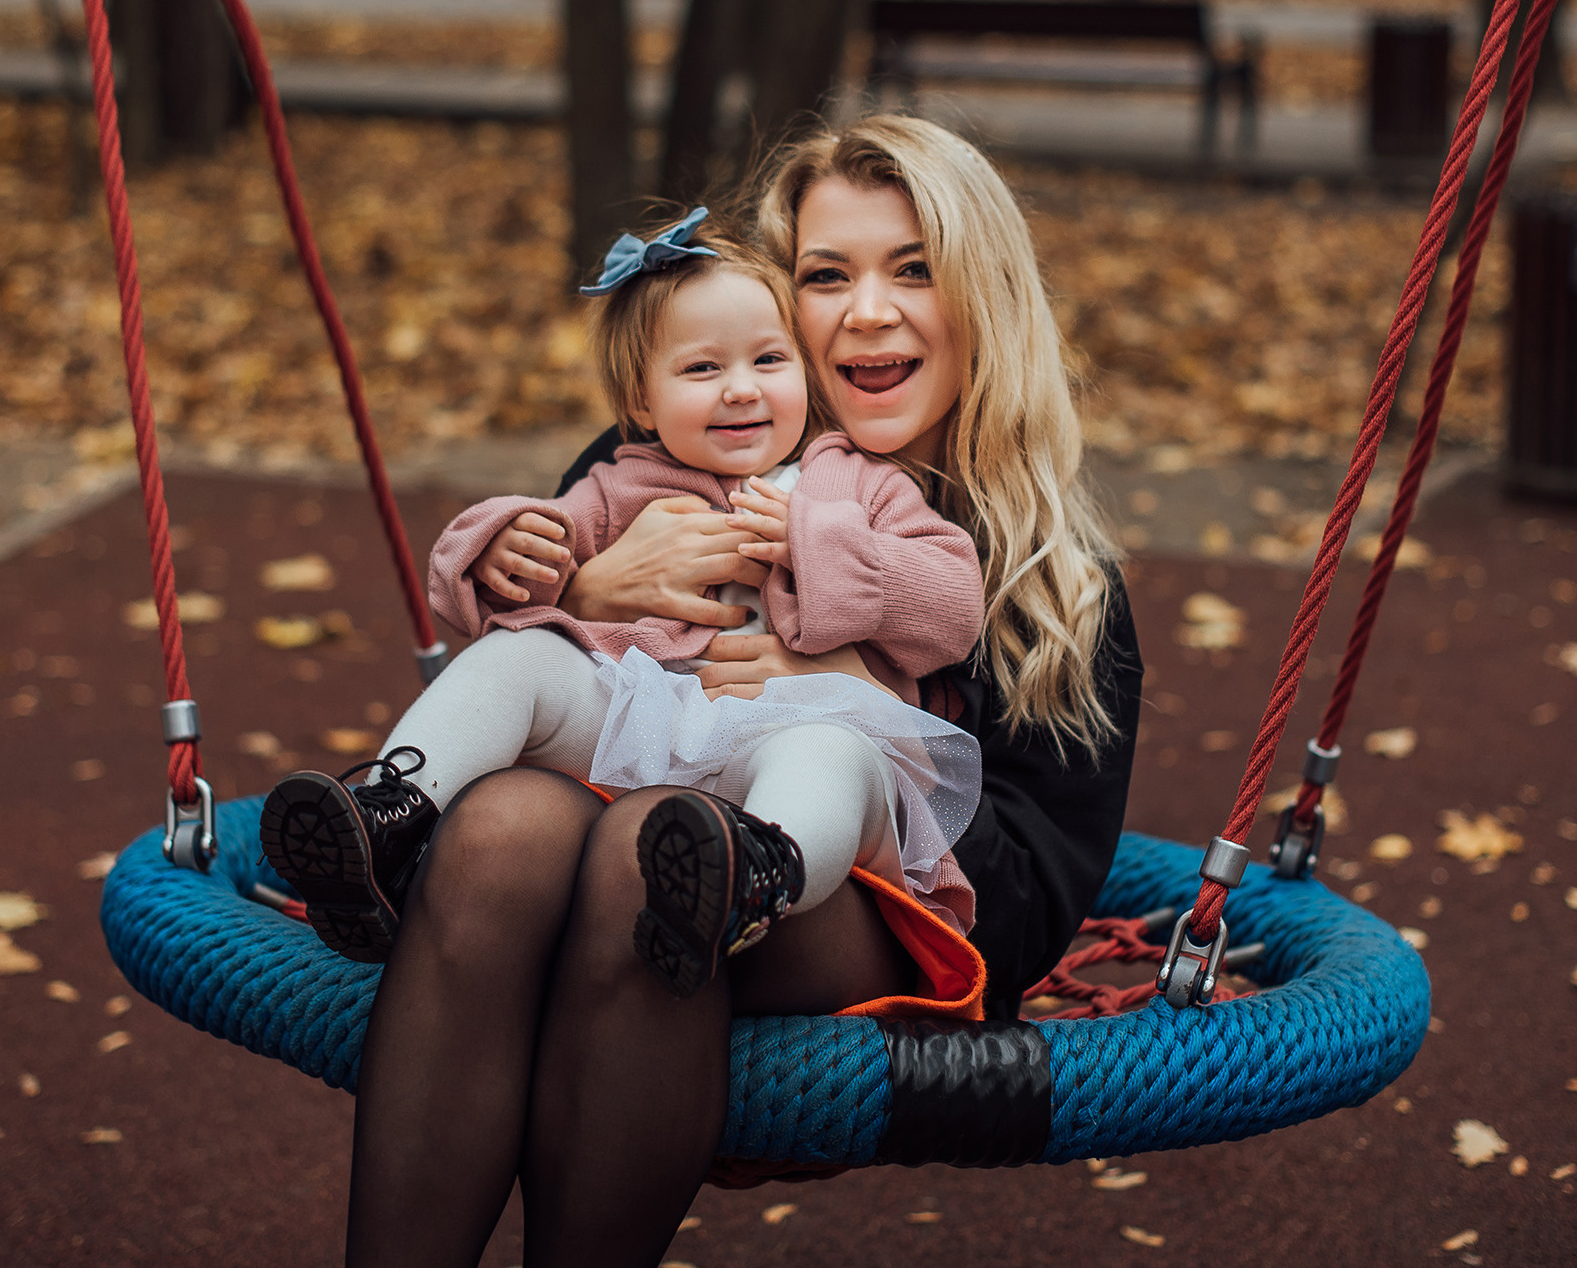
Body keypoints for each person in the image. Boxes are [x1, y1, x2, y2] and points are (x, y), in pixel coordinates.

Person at [322, 114, 1145, 1267]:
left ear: (985, 298)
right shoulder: (679, 458)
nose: (865, 310)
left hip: (842, 898)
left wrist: (855, 684)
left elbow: (1024, 911)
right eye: (825, 276)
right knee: (498, 829)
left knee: (647, 853)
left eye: (913, 269)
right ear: (775, 300)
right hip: (635, 813)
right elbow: (545, 620)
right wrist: (595, 584)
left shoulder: (1049, 581)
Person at [259, 209, 984, 998]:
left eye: (769, 359)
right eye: (702, 369)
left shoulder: (859, 484)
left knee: (828, 759)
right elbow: (526, 572)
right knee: (518, 657)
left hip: (800, 736)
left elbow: (952, 606)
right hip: (648, 731)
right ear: (640, 402)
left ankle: (755, 878)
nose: (742, 388)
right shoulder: (622, 484)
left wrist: (820, 541)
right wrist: (502, 548)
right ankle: (390, 818)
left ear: (804, 375)